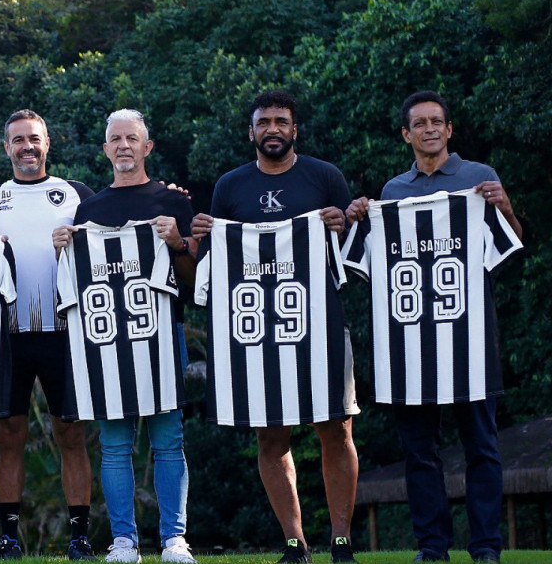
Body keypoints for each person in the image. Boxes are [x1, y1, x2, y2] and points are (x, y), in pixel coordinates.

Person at [346, 91, 522, 564]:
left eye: (436, 122)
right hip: (409, 346)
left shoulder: (479, 178)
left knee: (481, 447)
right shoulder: (391, 193)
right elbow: (364, 260)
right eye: (419, 123)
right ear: (406, 134)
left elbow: (508, 247)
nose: (428, 129)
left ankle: (485, 546)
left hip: (470, 340)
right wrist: (360, 219)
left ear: (449, 129)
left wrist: (503, 207)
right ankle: (432, 547)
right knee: (420, 453)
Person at [190, 90, 357, 564]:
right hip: (255, 331)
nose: (273, 129)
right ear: (251, 132)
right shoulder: (230, 186)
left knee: (336, 426)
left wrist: (341, 222)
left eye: (281, 121)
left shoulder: (324, 175)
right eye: (263, 122)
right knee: (270, 435)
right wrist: (199, 234)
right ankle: (294, 542)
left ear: (295, 130)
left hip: (320, 320)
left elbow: (350, 248)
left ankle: (341, 541)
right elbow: (213, 257)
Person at [52, 109, 197, 564]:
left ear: (147, 147)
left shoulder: (173, 202)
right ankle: (123, 541)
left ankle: (175, 539)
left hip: (160, 331)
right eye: (114, 139)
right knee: (115, 443)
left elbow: (194, 278)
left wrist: (178, 242)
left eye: (131, 138)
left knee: (168, 437)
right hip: (105, 344)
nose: (123, 146)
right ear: (105, 149)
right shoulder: (89, 210)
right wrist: (64, 246)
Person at [0, 110, 96, 560]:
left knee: (71, 434)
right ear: (5, 147)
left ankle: (79, 537)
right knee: (8, 434)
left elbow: (118, 229)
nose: (26, 146)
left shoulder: (76, 194)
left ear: (48, 143)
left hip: (63, 331)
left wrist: (168, 200)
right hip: (8, 333)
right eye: (17, 140)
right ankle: (9, 536)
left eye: (34, 138)